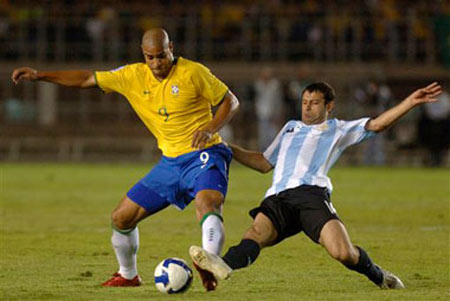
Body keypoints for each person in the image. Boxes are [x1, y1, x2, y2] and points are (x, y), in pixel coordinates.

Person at [12, 28, 240, 291]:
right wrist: (40, 76)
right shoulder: (131, 76)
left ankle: (209, 261)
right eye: (150, 57)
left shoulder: (193, 72)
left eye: (162, 56)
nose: (156, 64)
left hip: (205, 153)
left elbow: (230, 102)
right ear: (143, 55)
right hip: (170, 163)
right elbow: (87, 78)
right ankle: (128, 275)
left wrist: (211, 128)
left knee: (207, 202)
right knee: (121, 218)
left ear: (172, 48)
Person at [190, 81, 442, 290]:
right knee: (255, 235)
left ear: (329, 106)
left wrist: (410, 102)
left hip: (311, 195)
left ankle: (378, 275)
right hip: (278, 197)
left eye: (314, 103)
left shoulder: (338, 129)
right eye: (304, 102)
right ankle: (219, 264)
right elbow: (264, 162)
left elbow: (378, 124)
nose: (307, 108)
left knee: (343, 253)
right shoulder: (290, 128)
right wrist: (226, 148)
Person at [253, 67, 284, 150]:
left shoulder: (275, 85)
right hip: (262, 112)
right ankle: (263, 153)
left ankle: (272, 152)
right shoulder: (258, 84)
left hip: (272, 112)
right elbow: (256, 99)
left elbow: (278, 100)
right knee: (263, 136)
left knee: (272, 135)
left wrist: (277, 113)